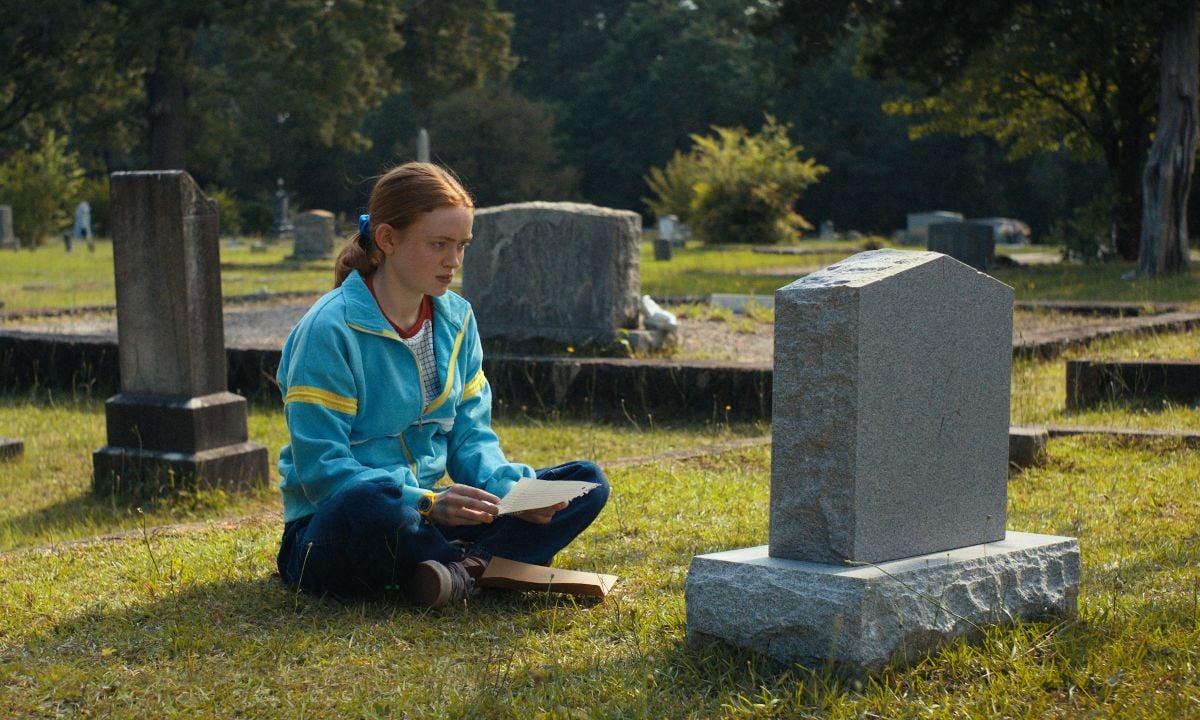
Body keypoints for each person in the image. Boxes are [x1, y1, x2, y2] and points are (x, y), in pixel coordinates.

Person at [274, 162, 609, 607]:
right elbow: (322, 472)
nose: (453, 261)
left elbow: (471, 435)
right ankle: (485, 564)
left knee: (586, 482)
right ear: (388, 239)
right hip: (338, 526)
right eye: (439, 245)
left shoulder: (457, 319)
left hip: (430, 522)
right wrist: (427, 501)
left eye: (462, 246)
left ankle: (457, 571)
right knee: (375, 506)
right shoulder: (329, 329)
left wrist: (512, 493)